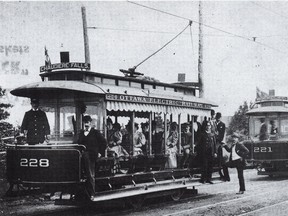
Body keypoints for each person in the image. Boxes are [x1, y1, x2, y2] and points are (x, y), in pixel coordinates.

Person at [78, 115, 107, 200]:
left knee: (90, 175)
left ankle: (92, 194)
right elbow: (78, 143)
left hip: (91, 156)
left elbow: (104, 142)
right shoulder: (81, 133)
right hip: (83, 156)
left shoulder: (95, 132)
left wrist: (100, 153)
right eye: (84, 123)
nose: (86, 124)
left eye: (87, 122)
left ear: (90, 123)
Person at [215, 112, 229, 181]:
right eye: (217, 117)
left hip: (219, 142)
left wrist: (218, 140)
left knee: (221, 159)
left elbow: (222, 135)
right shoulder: (214, 123)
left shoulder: (222, 125)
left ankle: (225, 176)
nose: (217, 119)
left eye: (219, 117)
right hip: (214, 141)